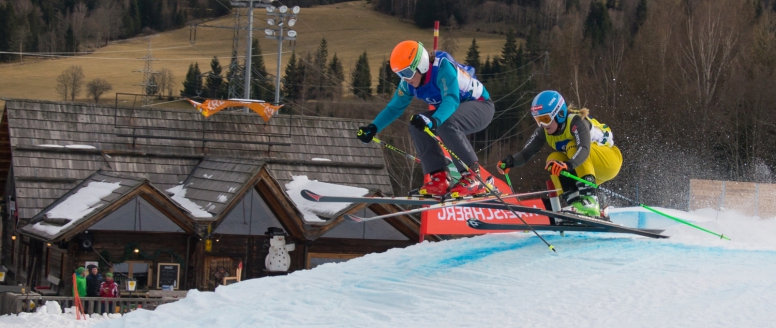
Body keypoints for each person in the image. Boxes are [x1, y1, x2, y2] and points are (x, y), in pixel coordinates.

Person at [356, 40, 495, 198]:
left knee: (444, 122)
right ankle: (439, 177)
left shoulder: (442, 68)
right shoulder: (408, 83)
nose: (405, 78)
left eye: (407, 73)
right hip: (453, 112)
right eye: (400, 75)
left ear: (421, 65)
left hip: (481, 107)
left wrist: (434, 120)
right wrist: (373, 128)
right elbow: (394, 108)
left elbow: (451, 99)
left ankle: (473, 177)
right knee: (417, 124)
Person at [497, 90, 622, 217]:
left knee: (571, 146)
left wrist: (568, 165)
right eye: (538, 120)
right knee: (553, 160)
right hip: (588, 168)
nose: (542, 124)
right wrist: (510, 161)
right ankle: (576, 203)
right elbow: (526, 154)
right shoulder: (544, 130)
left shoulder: (576, 122)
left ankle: (590, 201)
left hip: (609, 160)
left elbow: (584, 148)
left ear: (560, 114)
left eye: (545, 119)